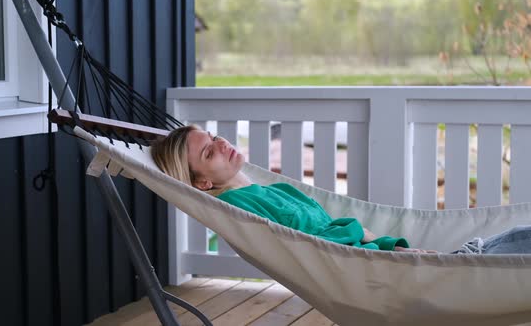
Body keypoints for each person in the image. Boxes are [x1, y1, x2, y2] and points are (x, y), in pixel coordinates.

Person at [151, 125, 531, 255]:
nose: (221, 144)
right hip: (378, 266)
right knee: (506, 246)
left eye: (215, 137)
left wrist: (387, 243)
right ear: (202, 182)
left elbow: (330, 227)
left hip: (381, 254)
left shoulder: (268, 189)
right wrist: (389, 250)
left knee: (509, 240)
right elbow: (320, 245)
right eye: (208, 151)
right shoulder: (239, 205)